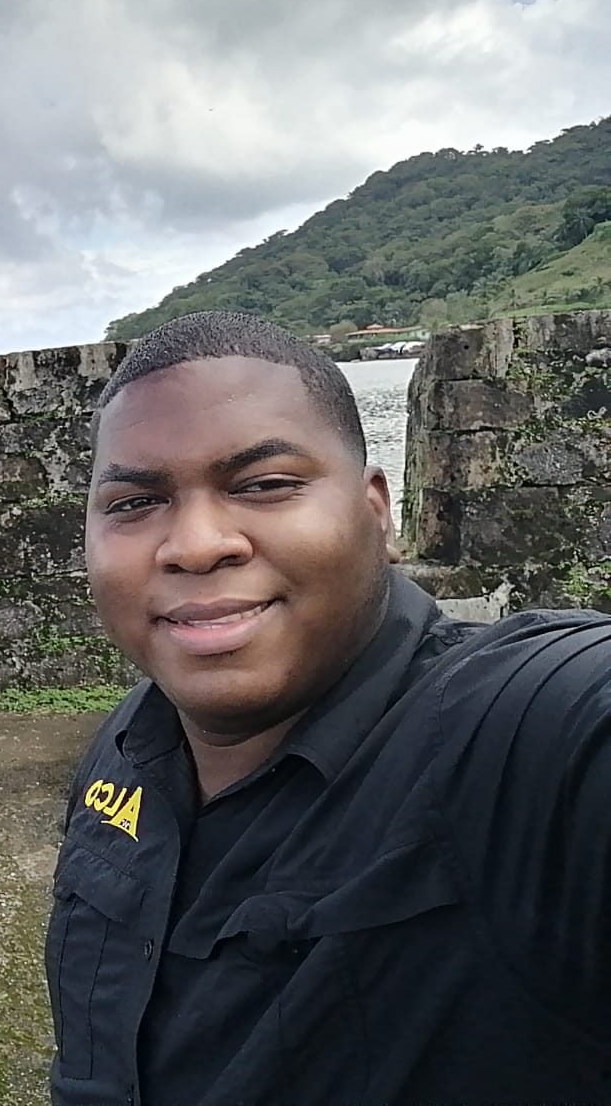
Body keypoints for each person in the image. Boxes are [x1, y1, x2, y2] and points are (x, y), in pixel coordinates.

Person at [45, 310, 611, 1106]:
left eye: (265, 484)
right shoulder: (125, 747)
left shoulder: (517, 733)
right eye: (135, 502)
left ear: (377, 512)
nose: (196, 544)